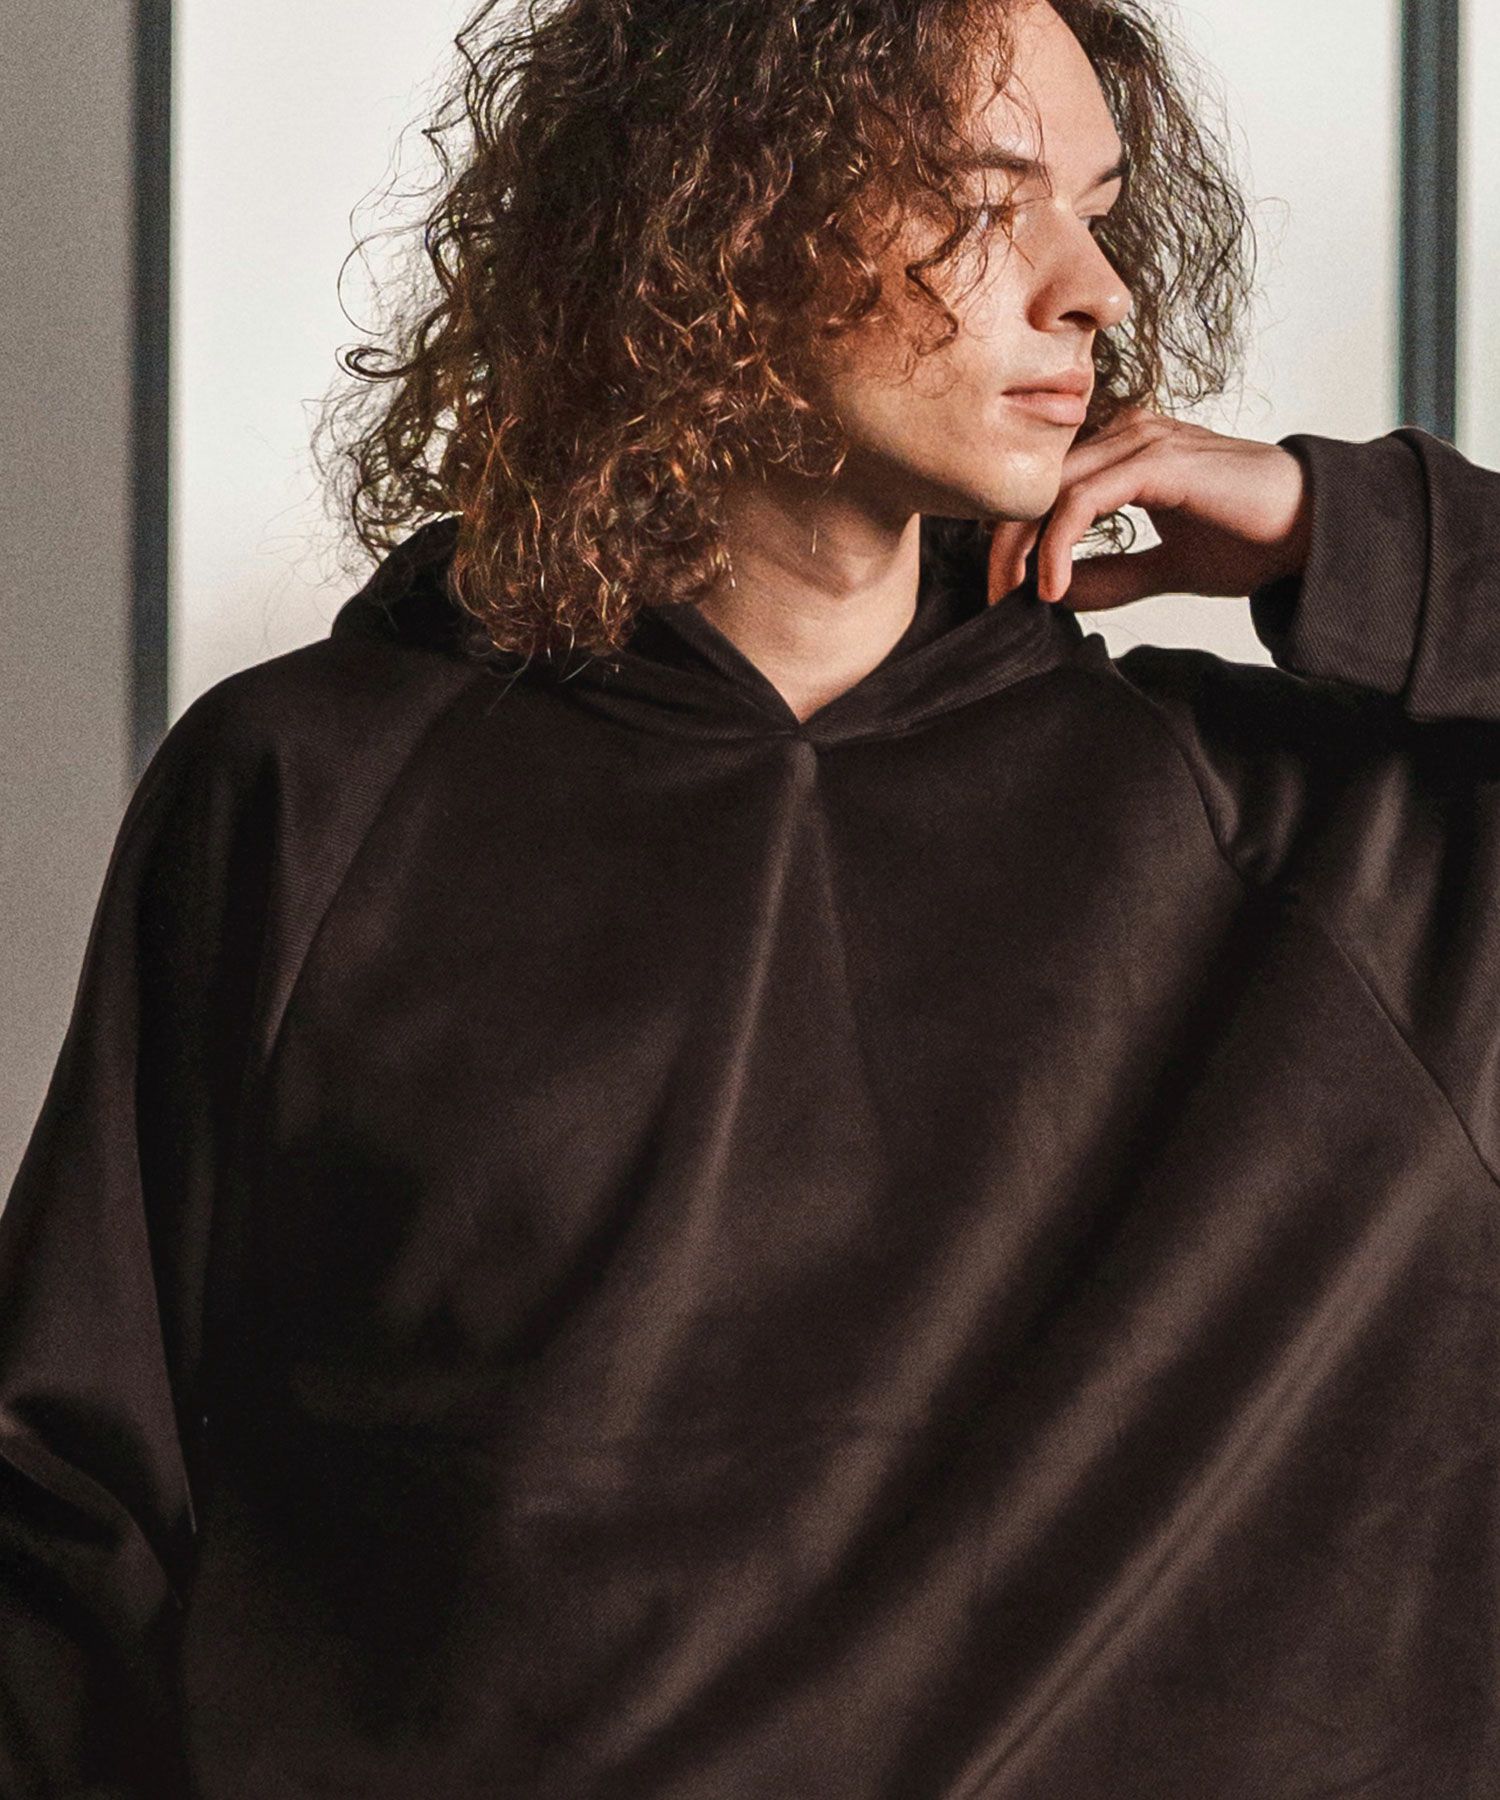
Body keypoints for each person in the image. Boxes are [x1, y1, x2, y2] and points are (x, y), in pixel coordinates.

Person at [2, 0, 1496, 1793]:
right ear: (718, 215)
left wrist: (1360, 533)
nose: (1091, 288)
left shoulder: (1318, 840)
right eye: (983, 199)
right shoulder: (313, 791)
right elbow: (66, 1517)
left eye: (1099, 210)